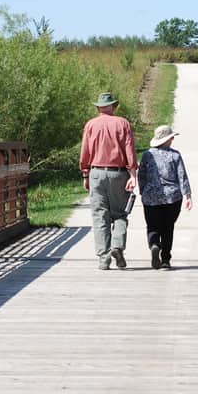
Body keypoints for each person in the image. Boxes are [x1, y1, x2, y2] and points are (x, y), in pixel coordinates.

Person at [79, 92, 138, 270]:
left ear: (98, 107)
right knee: (120, 214)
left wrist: (85, 173)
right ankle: (117, 246)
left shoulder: (91, 125)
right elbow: (129, 150)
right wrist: (133, 175)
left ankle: (103, 259)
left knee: (100, 216)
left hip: (96, 173)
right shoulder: (123, 123)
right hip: (118, 174)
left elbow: (85, 152)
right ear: (114, 106)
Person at [137, 125, 192, 270]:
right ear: (167, 140)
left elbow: (141, 175)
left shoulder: (147, 155)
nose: (173, 139)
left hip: (151, 197)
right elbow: (182, 176)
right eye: (172, 137)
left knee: (152, 226)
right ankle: (165, 260)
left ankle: (154, 245)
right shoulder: (175, 155)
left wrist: (143, 191)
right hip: (172, 197)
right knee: (168, 228)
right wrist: (188, 195)